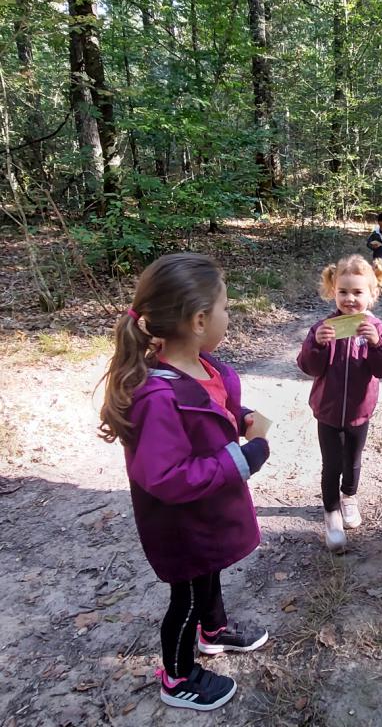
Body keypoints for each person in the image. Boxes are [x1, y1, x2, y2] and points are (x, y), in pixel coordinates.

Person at [99, 253, 271, 712]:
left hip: (206, 513)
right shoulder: (157, 396)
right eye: (226, 309)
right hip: (181, 524)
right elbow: (166, 477)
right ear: (198, 319)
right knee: (186, 598)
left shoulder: (202, 368)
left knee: (209, 575)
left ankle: (213, 632)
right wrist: (242, 458)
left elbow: (211, 413)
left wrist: (240, 417)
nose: (228, 316)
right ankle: (177, 677)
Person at [297, 255, 382, 551]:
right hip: (327, 411)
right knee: (331, 464)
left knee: (352, 461)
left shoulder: (377, 329)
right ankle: (331, 512)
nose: (350, 299)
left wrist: (377, 344)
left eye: (357, 292)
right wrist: (317, 345)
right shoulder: (323, 328)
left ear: (372, 294)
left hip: (359, 412)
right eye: (343, 292)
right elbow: (308, 366)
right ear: (333, 291)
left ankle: (349, 496)